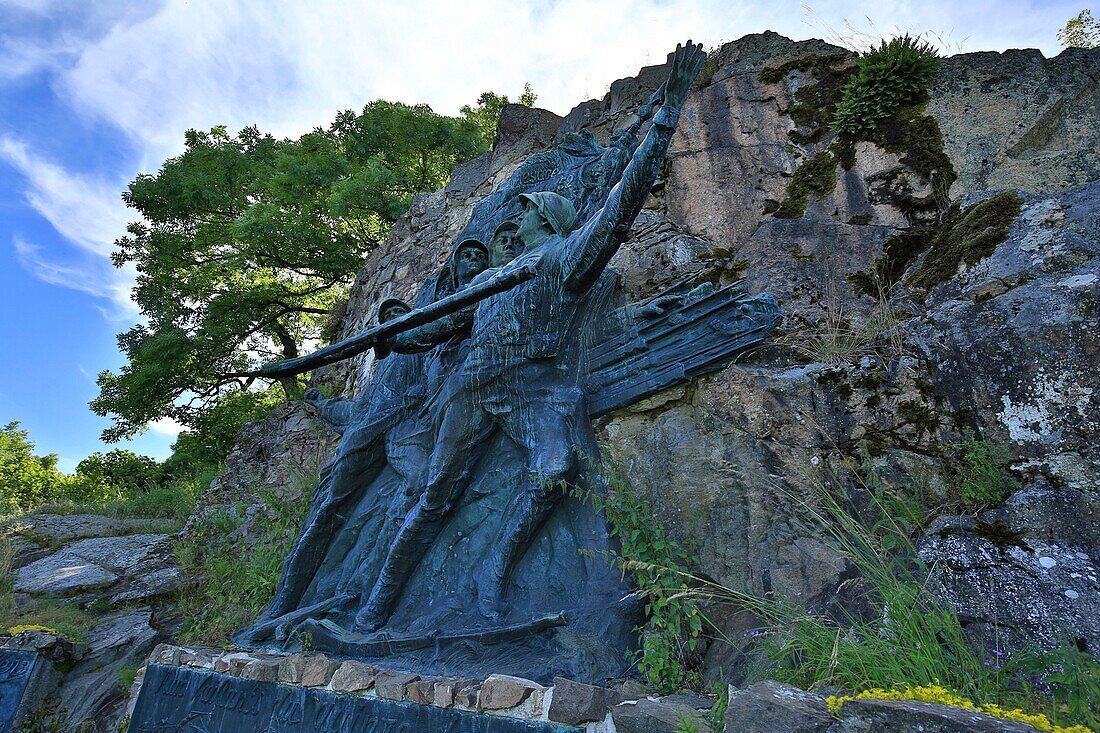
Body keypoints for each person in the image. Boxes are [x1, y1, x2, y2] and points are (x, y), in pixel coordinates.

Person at [354, 41, 707, 631]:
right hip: (474, 385)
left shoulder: (566, 259)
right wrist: (396, 336)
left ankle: (497, 568)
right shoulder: (492, 277)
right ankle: (378, 607)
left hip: (534, 391)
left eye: (521, 218)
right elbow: (440, 327)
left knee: (555, 469)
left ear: (546, 221)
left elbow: (619, 207)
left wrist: (666, 112)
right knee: (434, 495)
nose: (510, 226)